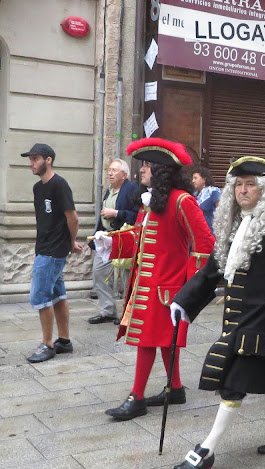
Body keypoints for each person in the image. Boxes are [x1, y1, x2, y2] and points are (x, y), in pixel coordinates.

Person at [170, 157, 265, 469]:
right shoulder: (235, 226)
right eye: (238, 184)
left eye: (250, 184)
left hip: (263, 320)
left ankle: (206, 450)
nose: (243, 190)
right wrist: (184, 301)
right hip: (236, 317)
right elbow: (213, 270)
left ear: (264, 190)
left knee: (233, 384)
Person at [94, 138, 215, 420]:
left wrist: (192, 285)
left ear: (161, 170)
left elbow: (206, 244)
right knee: (162, 338)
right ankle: (175, 388)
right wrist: (110, 241)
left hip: (168, 286)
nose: (141, 170)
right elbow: (139, 238)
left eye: (147, 165)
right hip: (146, 283)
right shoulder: (150, 203)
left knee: (147, 339)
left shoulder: (182, 201)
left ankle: (136, 397)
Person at [23, 143, 82, 363]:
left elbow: (72, 217)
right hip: (44, 247)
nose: (31, 163)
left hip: (53, 251)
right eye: (30, 159)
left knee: (40, 296)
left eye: (35, 159)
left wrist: (71, 241)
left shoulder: (59, 184)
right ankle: (64, 341)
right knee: (58, 295)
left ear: (48, 160)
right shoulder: (38, 188)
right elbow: (45, 219)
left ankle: (47, 344)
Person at [88, 159, 139, 325]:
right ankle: (108, 311)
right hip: (106, 238)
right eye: (109, 170)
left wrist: (117, 213)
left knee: (126, 276)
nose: (110, 173)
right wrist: (95, 237)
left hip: (122, 238)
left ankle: (128, 313)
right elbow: (103, 216)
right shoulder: (109, 190)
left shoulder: (132, 189)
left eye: (114, 170)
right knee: (99, 272)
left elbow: (137, 215)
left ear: (124, 175)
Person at [192, 165, 221, 233]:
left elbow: (221, 211)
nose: (193, 181)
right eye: (192, 178)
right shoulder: (194, 195)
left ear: (204, 180)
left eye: (195, 178)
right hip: (197, 231)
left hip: (210, 231)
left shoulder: (213, 192)